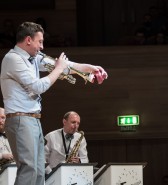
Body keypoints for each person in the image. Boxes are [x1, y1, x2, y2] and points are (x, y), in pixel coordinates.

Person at [0, 21, 107, 185]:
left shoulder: (33, 58)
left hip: (33, 119)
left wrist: (91, 68)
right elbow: (38, 86)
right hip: (20, 119)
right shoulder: (13, 58)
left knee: (39, 170)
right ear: (28, 40)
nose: (42, 47)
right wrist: (58, 68)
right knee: (28, 168)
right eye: (40, 41)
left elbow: (66, 66)